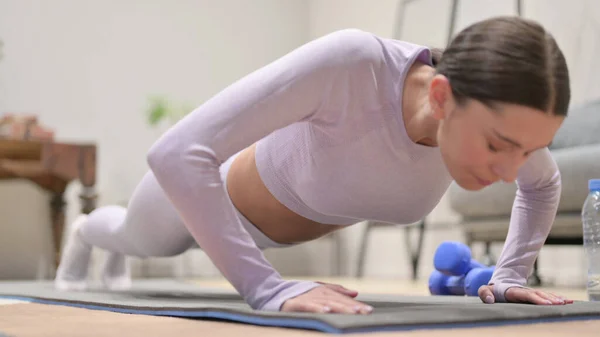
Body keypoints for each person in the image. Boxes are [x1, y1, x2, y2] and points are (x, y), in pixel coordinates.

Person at [54, 15, 575, 314]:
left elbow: (542, 185)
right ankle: (84, 234)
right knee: (136, 238)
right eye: (500, 146)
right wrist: (268, 288)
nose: (512, 171)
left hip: (262, 234)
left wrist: (508, 274)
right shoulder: (353, 65)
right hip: (193, 198)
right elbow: (176, 153)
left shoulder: (491, 118)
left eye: (526, 151)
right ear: (441, 97)